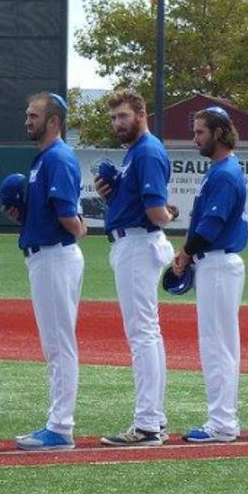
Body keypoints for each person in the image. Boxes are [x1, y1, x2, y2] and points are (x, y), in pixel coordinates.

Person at [96, 88, 177, 447]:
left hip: (138, 242)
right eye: (114, 118)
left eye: (123, 116)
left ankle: (146, 424)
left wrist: (170, 213)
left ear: (141, 113)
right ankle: (153, 419)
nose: (117, 123)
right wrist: (113, 195)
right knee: (148, 332)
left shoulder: (146, 151)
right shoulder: (137, 152)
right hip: (134, 242)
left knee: (142, 333)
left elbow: (157, 212)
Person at [12, 92, 87, 451]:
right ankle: (57, 424)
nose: (27, 120)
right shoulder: (44, 159)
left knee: (59, 344)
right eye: (27, 114)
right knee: (55, 343)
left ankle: (60, 427)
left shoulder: (57, 157)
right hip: (45, 255)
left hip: (56, 255)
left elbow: (67, 216)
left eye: (34, 115)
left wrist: (80, 227)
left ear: (54, 121)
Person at [171, 107, 248, 443]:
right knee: (218, 344)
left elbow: (211, 225)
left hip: (217, 261)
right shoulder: (219, 171)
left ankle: (222, 423)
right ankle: (223, 419)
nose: (195, 139)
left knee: (218, 346)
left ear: (218, 132)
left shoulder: (224, 173)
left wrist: (186, 253)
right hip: (214, 263)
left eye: (200, 132)